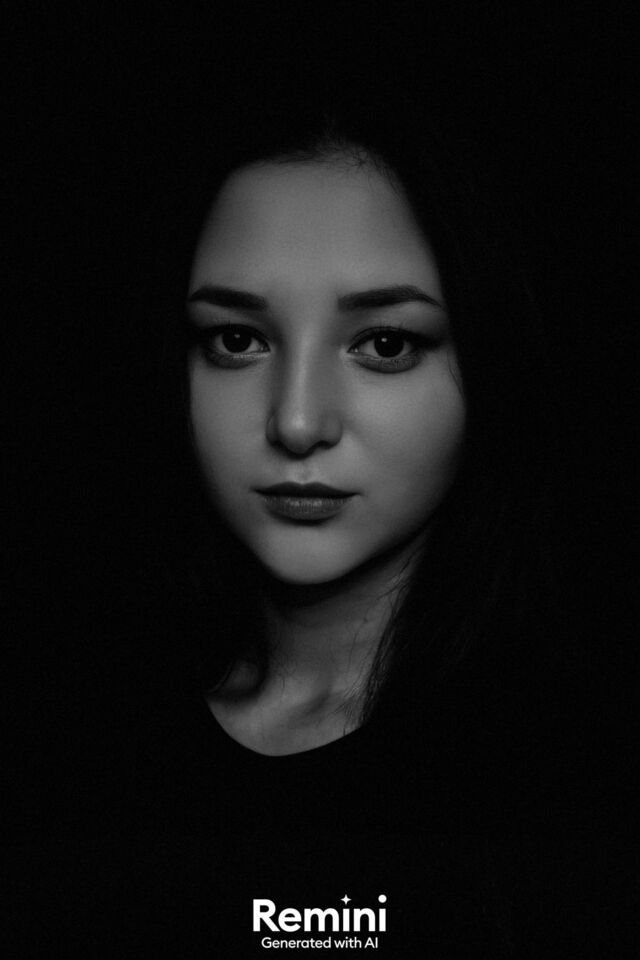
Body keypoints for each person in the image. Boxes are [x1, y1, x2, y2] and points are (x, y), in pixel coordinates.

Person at [12, 103, 630, 959]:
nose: (297, 423)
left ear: (494, 363)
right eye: (236, 339)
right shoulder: (72, 752)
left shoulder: (578, 786)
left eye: (385, 343)